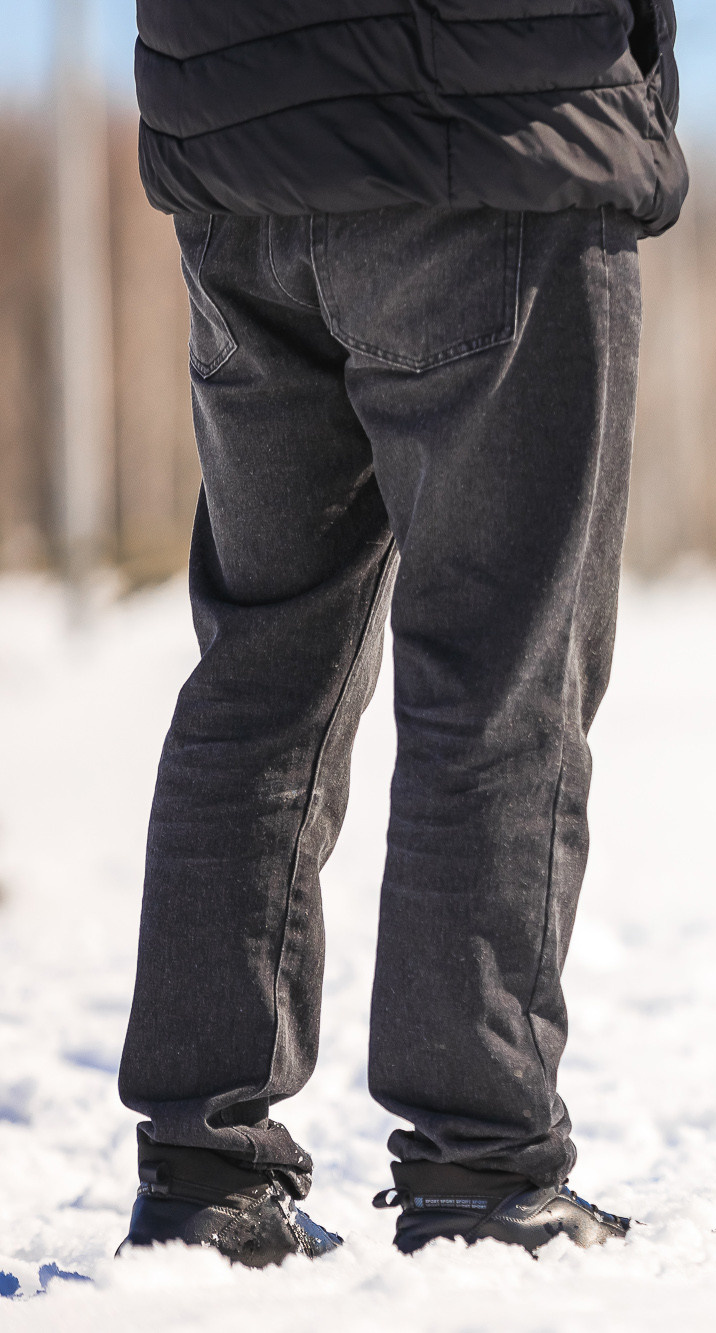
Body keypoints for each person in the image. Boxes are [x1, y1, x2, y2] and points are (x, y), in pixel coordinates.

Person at [114, 1, 686, 1264]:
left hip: (239, 153)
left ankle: (203, 1169)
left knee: (261, 669)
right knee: (500, 671)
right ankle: (482, 1168)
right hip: (494, 143)